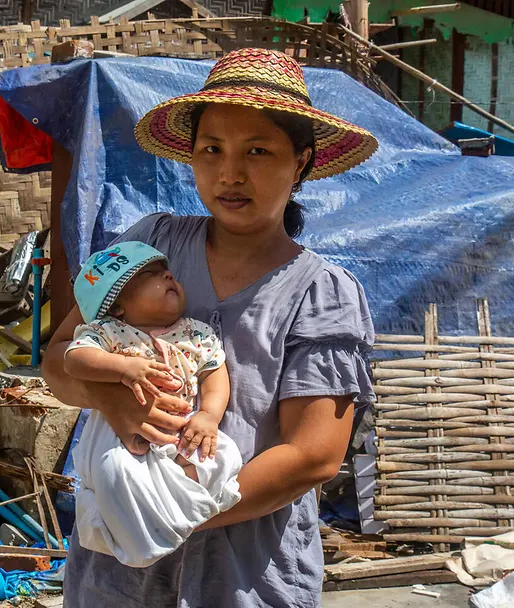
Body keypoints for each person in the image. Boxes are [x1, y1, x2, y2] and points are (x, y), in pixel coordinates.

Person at [42, 47, 379, 607]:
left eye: (258, 151)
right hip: (118, 572)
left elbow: (314, 453)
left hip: (245, 572)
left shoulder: (321, 292)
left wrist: (172, 512)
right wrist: (115, 404)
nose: (230, 173)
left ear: (302, 162)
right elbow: (58, 360)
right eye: (211, 150)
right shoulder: (151, 245)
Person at [64, 241, 243, 568]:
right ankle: (139, 535)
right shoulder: (109, 332)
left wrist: (208, 415)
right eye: (153, 275)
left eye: (168, 272)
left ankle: (179, 506)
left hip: (180, 430)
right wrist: (122, 368)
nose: (169, 276)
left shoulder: (195, 334)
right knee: (115, 472)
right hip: (120, 435)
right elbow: (74, 360)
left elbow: (214, 374)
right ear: (117, 305)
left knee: (226, 456)